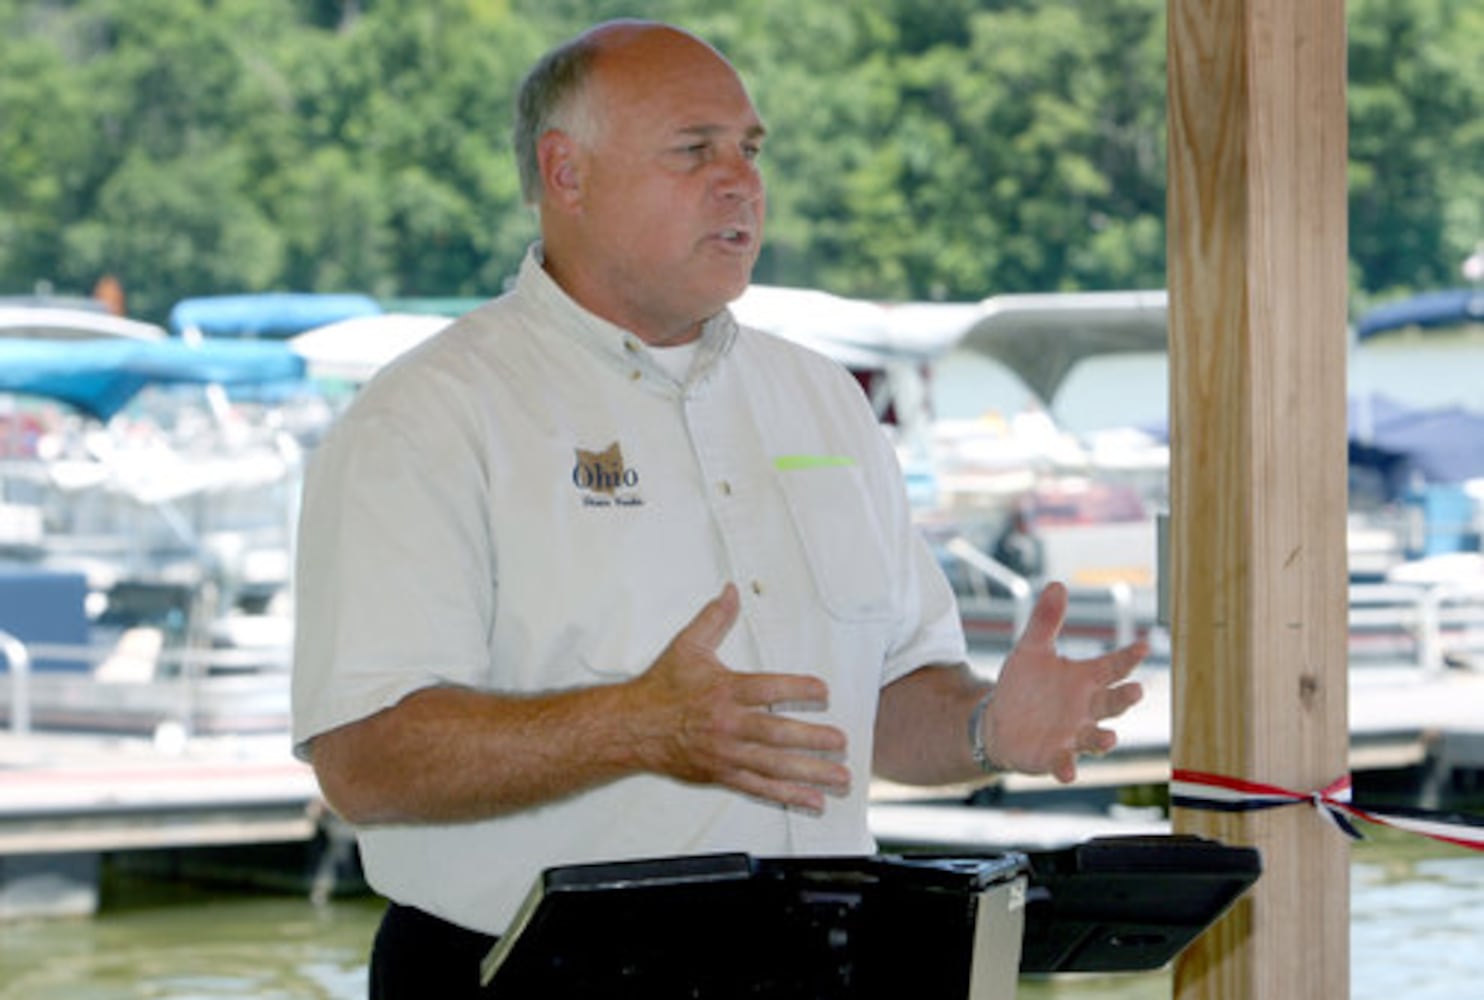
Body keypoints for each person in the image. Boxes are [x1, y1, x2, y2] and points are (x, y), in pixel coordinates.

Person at [291, 19, 1146, 998]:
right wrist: (629, 726)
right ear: (564, 173)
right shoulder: (428, 415)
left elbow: (865, 710)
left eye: (749, 149)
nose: (739, 182)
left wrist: (988, 725)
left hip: (817, 970)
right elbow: (367, 756)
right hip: (524, 974)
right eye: (694, 151)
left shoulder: (823, 398)